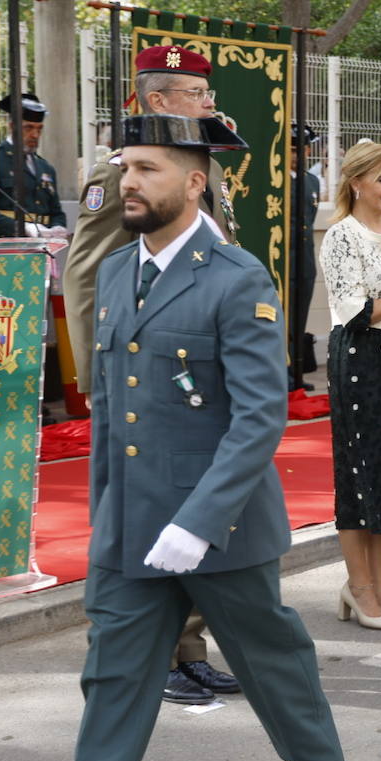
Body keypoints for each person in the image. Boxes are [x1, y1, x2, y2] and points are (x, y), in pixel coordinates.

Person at [40, 114, 349, 761]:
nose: (129, 183)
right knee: (111, 686)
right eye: (125, 168)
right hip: (132, 531)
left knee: (270, 665)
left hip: (222, 529)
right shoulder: (115, 270)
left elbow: (257, 418)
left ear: (194, 182)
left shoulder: (237, 278)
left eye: (146, 168)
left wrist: (199, 521)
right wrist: (107, 519)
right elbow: (112, 416)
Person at [62, 43, 239, 706]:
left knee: (190, 508)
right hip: (140, 372)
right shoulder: (122, 177)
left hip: (194, 373)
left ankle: (187, 648)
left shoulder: (199, 166)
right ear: (158, 100)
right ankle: (147, 652)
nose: (208, 104)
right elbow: (85, 275)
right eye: (196, 95)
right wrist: (95, 373)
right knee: (142, 513)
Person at [320, 139, 381, 630]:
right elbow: (355, 312)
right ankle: (359, 586)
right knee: (357, 476)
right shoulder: (342, 236)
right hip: (358, 357)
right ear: (357, 183)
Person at [0, 92, 67, 239]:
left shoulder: (45, 167)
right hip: (7, 245)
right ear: (12, 126)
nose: (35, 135)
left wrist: (58, 226)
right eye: (29, 128)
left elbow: (56, 212)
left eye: (39, 129)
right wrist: (23, 227)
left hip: (41, 247)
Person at [289, 124, 321, 392]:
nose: (297, 155)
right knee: (284, 319)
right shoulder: (276, 180)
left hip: (306, 260)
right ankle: (284, 372)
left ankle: (297, 371)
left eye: (301, 149)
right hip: (285, 258)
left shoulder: (312, 181)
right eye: (291, 150)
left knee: (301, 318)